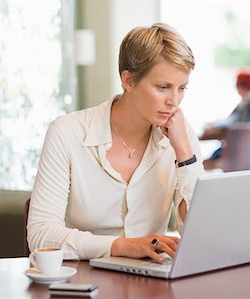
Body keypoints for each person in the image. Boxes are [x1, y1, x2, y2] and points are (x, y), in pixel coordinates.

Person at [27, 23, 203, 264]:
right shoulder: (67, 133)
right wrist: (121, 246)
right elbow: (41, 235)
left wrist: (185, 155)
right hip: (82, 279)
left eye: (182, 88)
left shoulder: (181, 136)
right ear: (129, 81)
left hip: (151, 282)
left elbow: (200, 236)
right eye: (163, 87)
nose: (174, 101)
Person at [201, 70, 250, 169]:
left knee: (220, 157)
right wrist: (213, 125)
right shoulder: (243, 104)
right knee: (215, 156)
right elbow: (230, 119)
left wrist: (218, 127)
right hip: (245, 147)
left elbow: (248, 126)